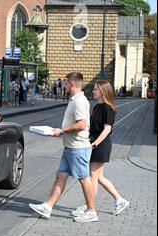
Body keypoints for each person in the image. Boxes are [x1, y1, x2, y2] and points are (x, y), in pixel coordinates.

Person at [29, 72, 98, 223]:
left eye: (65, 83)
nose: (64, 86)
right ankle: (48, 206)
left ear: (72, 84)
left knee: (84, 179)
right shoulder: (75, 99)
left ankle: (92, 211)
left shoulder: (79, 101)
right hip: (70, 147)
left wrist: (61, 131)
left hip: (77, 147)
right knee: (61, 176)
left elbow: (82, 124)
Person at [72, 80, 130, 217]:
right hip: (94, 144)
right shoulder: (97, 107)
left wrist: (94, 144)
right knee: (98, 177)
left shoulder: (107, 108)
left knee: (93, 176)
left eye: (96, 89)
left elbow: (107, 129)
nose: (93, 91)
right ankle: (119, 200)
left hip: (100, 145)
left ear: (103, 91)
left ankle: (89, 207)